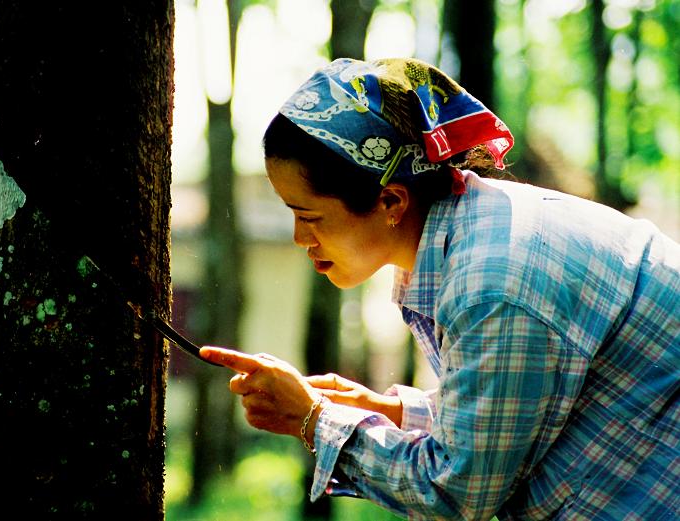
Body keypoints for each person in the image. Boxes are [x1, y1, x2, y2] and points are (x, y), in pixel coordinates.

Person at [199, 57, 680, 520]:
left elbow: (454, 493)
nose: (300, 239)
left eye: (309, 217)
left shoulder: (492, 282)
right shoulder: (477, 232)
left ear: (390, 200)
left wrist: (314, 419)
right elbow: (513, 413)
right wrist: (384, 409)